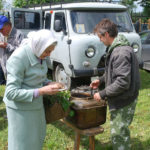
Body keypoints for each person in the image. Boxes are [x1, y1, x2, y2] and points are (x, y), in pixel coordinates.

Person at [3, 29, 64, 150]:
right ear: (39, 45)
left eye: (50, 51)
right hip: (20, 109)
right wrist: (42, 91)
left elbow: (37, 77)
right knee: (21, 143)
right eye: (47, 51)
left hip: (35, 105)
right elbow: (11, 92)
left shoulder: (39, 53)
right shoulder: (19, 58)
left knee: (36, 139)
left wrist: (49, 82)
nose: (48, 54)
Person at [90, 18, 140, 150]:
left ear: (106, 34)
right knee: (120, 131)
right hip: (123, 97)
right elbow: (113, 72)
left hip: (124, 99)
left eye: (100, 37)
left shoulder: (120, 52)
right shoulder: (117, 48)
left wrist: (102, 93)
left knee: (119, 134)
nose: (100, 40)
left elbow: (122, 82)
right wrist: (100, 80)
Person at [0, 15, 25, 79]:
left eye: (1, 29)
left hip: (17, 71)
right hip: (5, 69)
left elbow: (23, 52)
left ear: (8, 25)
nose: (0, 31)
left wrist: (7, 46)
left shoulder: (19, 34)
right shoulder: (1, 35)